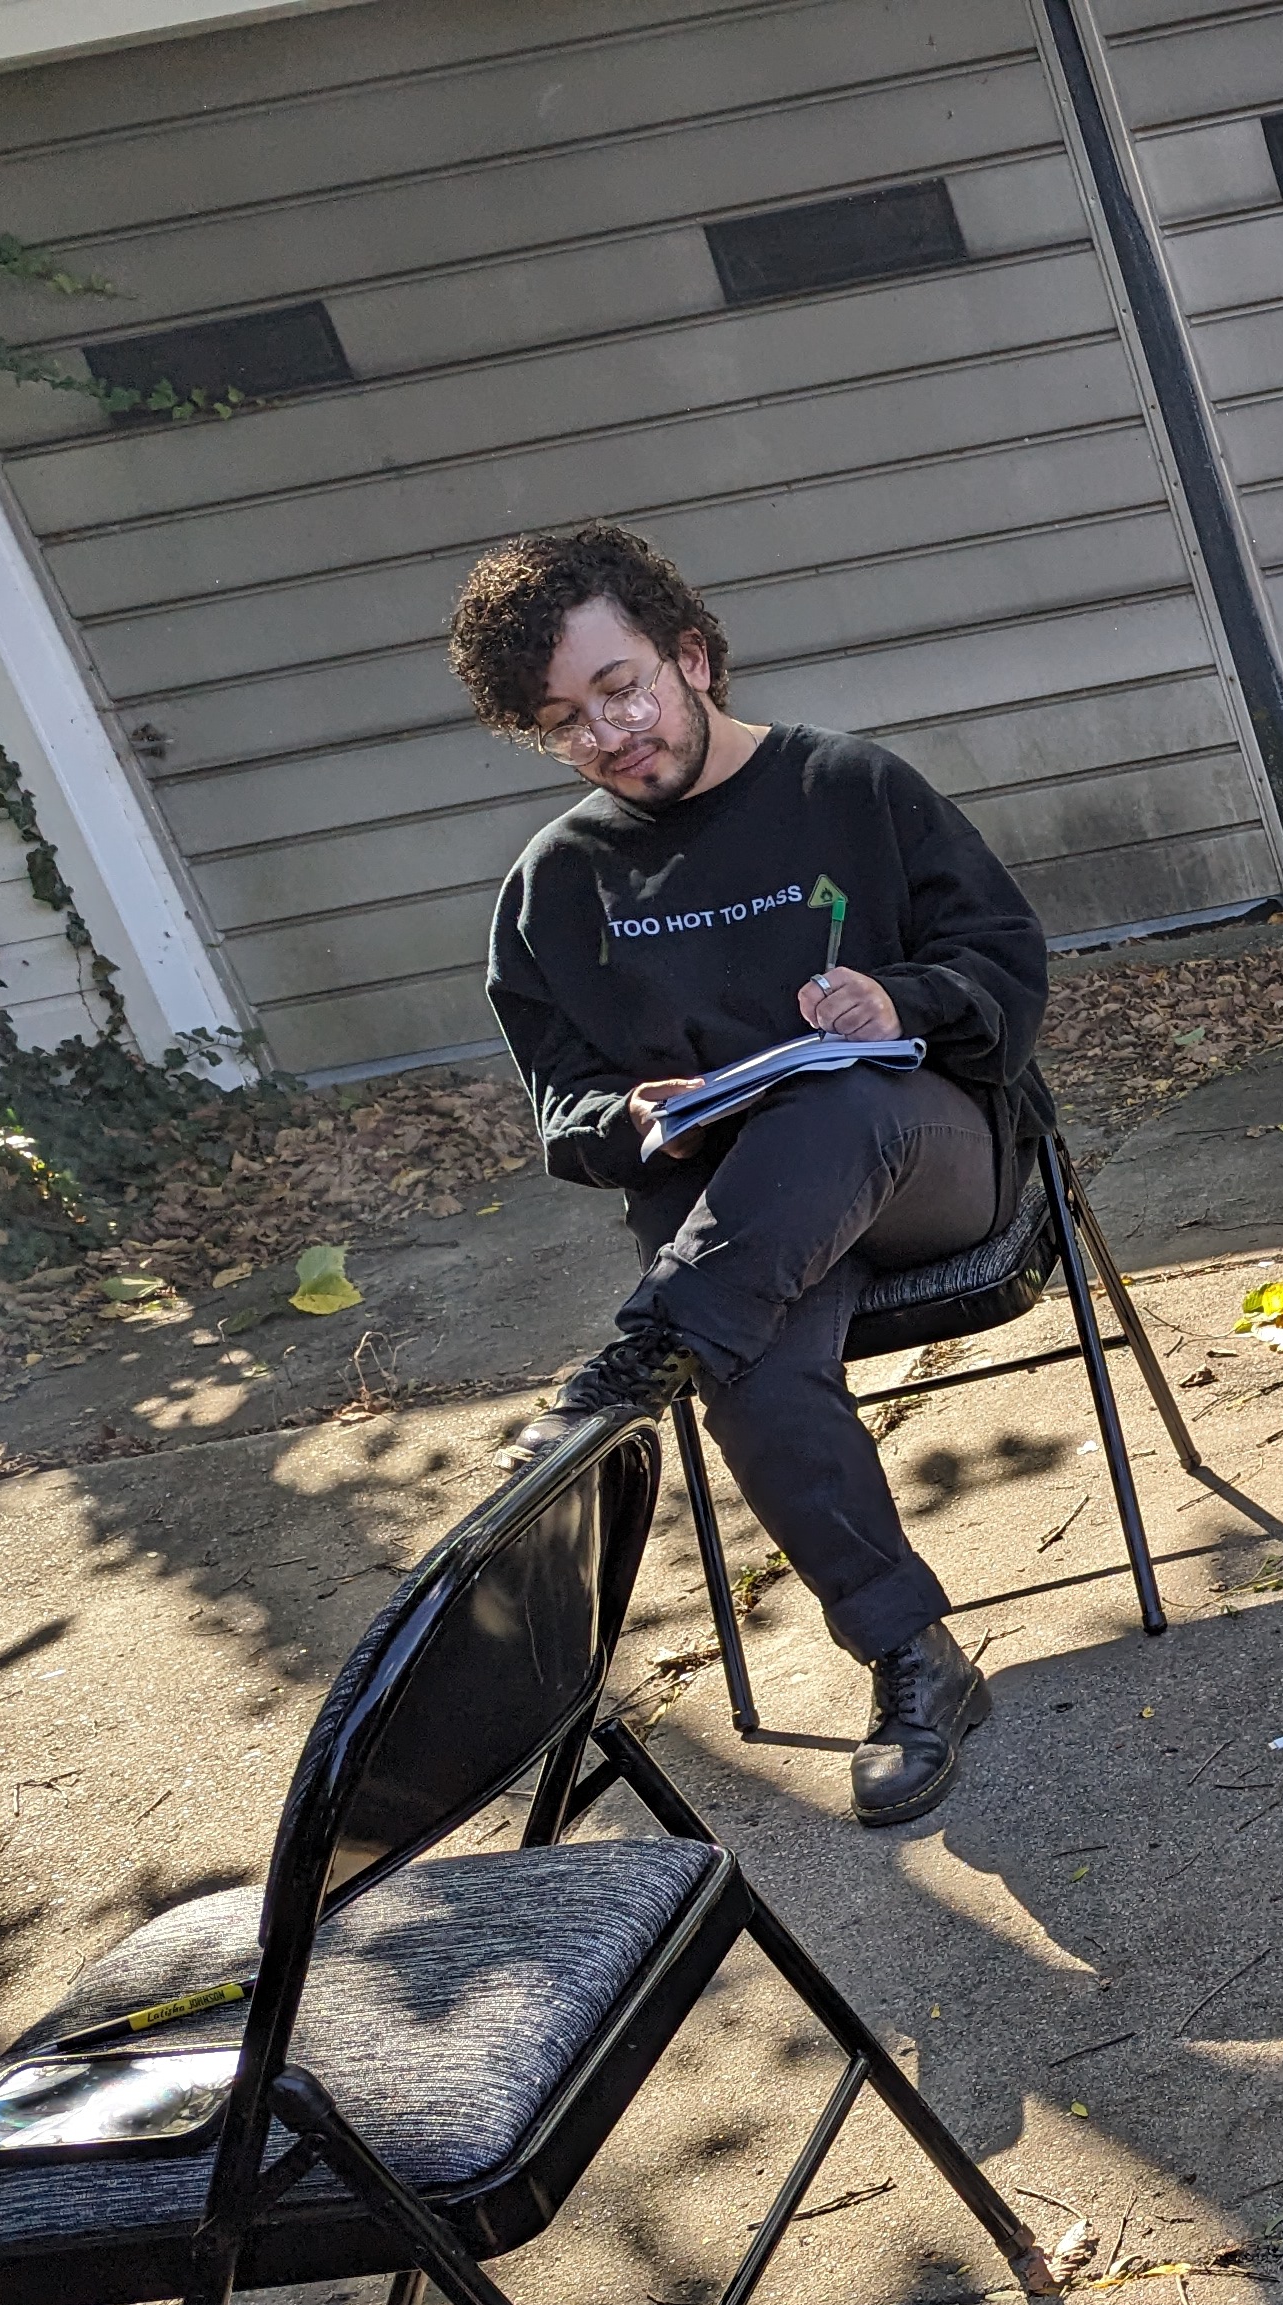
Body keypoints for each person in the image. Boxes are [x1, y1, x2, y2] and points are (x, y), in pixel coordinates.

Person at [449, 524, 1054, 1826]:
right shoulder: (555, 885)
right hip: (735, 1225)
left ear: (693, 655)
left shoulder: (850, 788)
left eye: (621, 688)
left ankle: (640, 1357)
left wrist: (898, 996)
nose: (607, 731)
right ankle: (913, 1659)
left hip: (923, 1157)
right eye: (565, 720)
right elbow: (563, 1100)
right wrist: (635, 1118)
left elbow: (1007, 965)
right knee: (752, 1360)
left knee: (834, 1114)